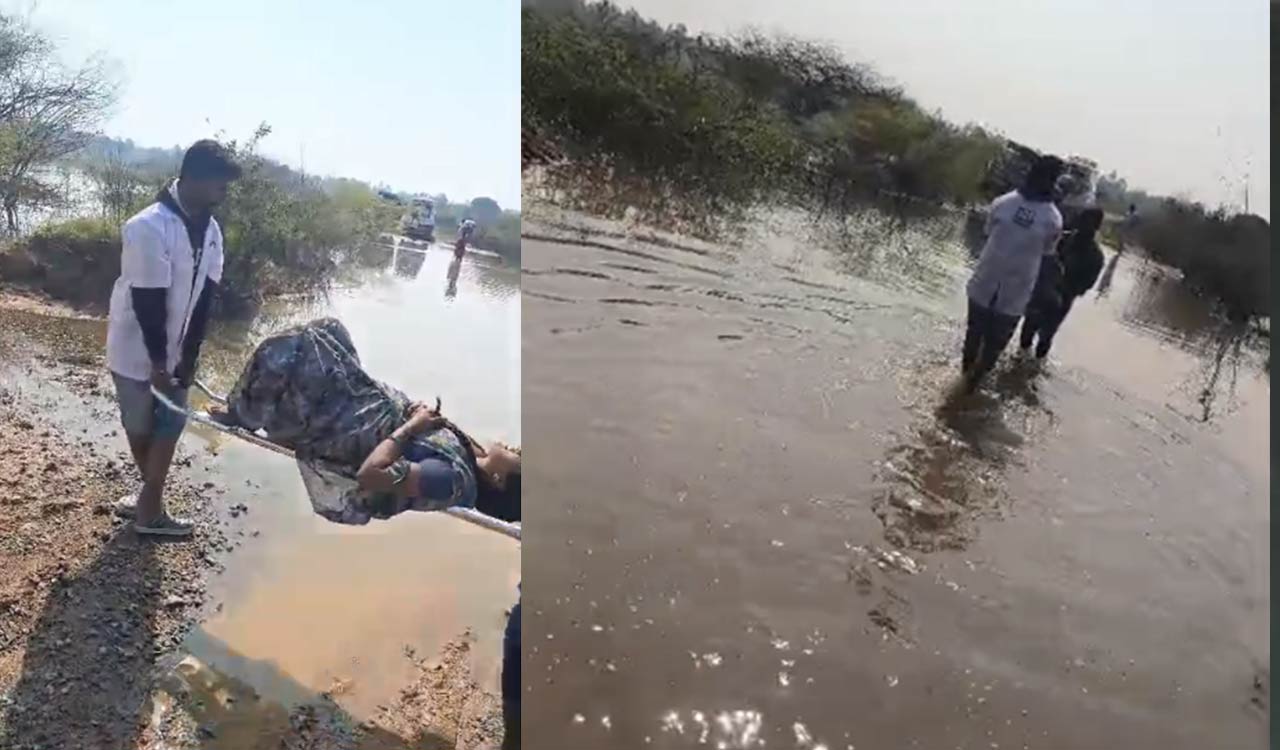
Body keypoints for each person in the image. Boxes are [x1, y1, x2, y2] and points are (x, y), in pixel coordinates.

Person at [108, 140, 241, 536]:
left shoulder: (212, 231)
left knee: (170, 424)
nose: (224, 192)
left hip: (177, 352)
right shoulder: (147, 226)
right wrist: (158, 363)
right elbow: (149, 301)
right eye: (220, 183)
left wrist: (188, 358)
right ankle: (150, 504)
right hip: (135, 348)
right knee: (140, 427)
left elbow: (205, 300)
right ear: (195, 177)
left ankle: (149, 508)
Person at [961, 154, 1065, 391]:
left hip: (1008, 290)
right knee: (977, 341)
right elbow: (1046, 253)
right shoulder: (1047, 217)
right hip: (990, 286)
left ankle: (967, 388)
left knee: (989, 346)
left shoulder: (1009, 205)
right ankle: (965, 388)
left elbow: (989, 233)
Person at [1018, 207, 1106, 359]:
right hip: (1043, 290)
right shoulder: (1061, 239)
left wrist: (1064, 288)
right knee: (1028, 330)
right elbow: (1040, 259)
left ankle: (1033, 368)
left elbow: (1087, 285)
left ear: (1097, 227)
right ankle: (1020, 365)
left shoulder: (1095, 256)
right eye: (1084, 221)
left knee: (1046, 336)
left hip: (1063, 298)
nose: (1086, 226)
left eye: (1091, 223)